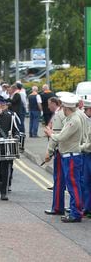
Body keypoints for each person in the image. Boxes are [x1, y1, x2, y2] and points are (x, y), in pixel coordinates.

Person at [44, 95, 84, 223]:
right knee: (74, 185)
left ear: (66, 108)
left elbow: (61, 137)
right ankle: (75, 211)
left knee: (73, 186)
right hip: (71, 155)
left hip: (71, 156)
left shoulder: (73, 120)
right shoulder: (73, 117)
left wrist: (51, 134)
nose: (62, 110)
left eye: (63, 107)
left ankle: (76, 213)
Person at [43, 97, 66, 215]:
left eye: (49, 104)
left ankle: (57, 207)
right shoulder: (73, 115)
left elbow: (55, 136)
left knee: (59, 181)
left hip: (61, 151)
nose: (48, 107)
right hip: (68, 151)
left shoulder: (59, 115)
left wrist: (49, 152)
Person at [79, 99, 91, 218]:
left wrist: (79, 147)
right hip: (86, 154)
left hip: (87, 152)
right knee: (86, 182)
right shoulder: (84, 119)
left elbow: (88, 143)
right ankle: (86, 207)